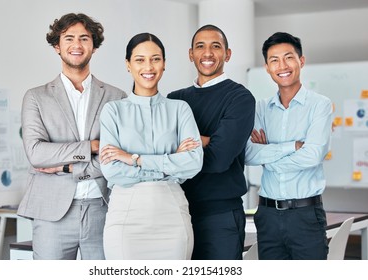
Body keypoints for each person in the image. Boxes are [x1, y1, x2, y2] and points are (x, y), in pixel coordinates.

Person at [17, 13, 127, 260]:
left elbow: (118, 157)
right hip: (51, 213)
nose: (77, 45)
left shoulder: (116, 97)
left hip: (104, 209)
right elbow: (36, 153)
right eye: (69, 38)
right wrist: (92, 146)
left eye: (84, 38)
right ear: (57, 46)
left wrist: (66, 167)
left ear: (93, 46)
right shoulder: (36, 97)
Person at [99, 32, 203, 260]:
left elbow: (193, 164)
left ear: (164, 64)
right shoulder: (113, 111)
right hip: (126, 218)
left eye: (156, 59)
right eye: (140, 59)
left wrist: (134, 159)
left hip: (172, 216)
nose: (149, 66)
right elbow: (112, 171)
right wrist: (171, 160)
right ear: (128, 65)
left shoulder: (180, 109)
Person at [167, 25, 256, 260]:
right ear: (190, 54)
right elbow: (160, 150)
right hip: (176, 210)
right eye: (200, 46)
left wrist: (181, 149)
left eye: (215, 46)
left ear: (227, 54)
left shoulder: (240, 98)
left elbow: (219, 158)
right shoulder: (174, 100)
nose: (207, 53)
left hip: (220, 215)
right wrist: (207, 139)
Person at [245, 32, 332, 260]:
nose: (282, 66)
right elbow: (249, 154)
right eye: (274, 60)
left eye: (288, 57)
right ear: (267, 67)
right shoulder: (260, 109)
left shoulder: (319, 105)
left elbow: (312, 156)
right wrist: (292, 146)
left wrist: (269, 157)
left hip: (305, 215)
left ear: (301, 61)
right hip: (267, 215)